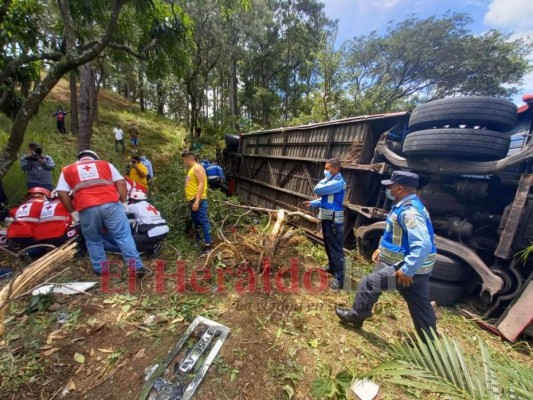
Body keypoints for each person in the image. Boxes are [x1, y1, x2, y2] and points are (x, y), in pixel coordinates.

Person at [335, 171, 438, 341]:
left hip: (408, 270)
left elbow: (423, 244)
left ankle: (356, 315)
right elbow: (395, 235)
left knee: (370, 283)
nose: (387, 190)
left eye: (390, 187)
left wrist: (406, 270)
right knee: (420, 303)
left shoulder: (410, 212)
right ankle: (429, 338)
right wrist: (381, 250)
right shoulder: (407, 205)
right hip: (419, 270)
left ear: (399, 188)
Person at [56, 150, 144, 276]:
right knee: (123, 236)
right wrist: (124, 203)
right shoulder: (105, 164)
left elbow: (61, 193)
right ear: (95, 158)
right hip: (111, 204)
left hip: (86, 207)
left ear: (79, 159)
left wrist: (74, 213)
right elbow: (121, 182)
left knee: (93, 239)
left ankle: (101, 269)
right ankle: (136, 267)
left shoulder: (68, 170)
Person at [303, 158, 346, 291]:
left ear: (336, 169)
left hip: (333, 220)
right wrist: (313, 203)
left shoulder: (337, 183)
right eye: (325, 168)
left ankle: (340, 279)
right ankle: (332, 267)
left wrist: (324, 181)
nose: (325, 171)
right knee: (328, 245)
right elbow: (326, 198)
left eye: (328, 169)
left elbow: (317, 189)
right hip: (327, 218)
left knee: (335, 249)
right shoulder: (332, 182)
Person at [103, 189, 168, 257]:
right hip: (163, 231)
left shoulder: (134, 206)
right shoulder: (150, 206)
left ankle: (152, 247)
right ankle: (152, 245)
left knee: (127, 242)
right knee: (138, 238)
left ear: (133, 200)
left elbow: (119, 211)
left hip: (153, 232)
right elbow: (138, 220)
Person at [182, 151, 212, 257]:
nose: (184, 162)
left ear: (188, 159)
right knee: (196, 221)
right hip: (192, 200)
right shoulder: (191, 169)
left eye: (184, 160)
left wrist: (197, 201)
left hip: (198, 200)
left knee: (203, 221)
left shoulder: (197, 168)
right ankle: (198, 239)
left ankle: (208, 245)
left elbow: (201, 184)